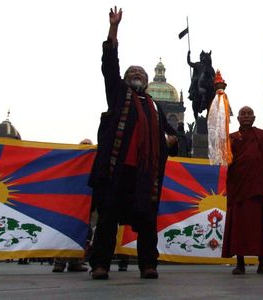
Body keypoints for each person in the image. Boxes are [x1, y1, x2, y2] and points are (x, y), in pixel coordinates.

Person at [88, 7, 178, 280]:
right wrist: (114, 28)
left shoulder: (154, 105)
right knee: (107, 219)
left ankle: (148, 264)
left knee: (147, 220)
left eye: (141, 72)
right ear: (126, 79)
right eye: (132, 72)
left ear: (147, 81)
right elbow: (109, 63)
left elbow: (173, 136)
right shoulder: (117, 94)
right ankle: (100, 264)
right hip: (116, 169)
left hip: (145, 172)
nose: (137, 74)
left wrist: (172, 141)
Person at [222, 106, 263, 275]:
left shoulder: (261, 135)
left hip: (256, 187)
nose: (246, 116)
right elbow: (225, 158)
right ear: (239, 118)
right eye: (243, 114)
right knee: (238, 226)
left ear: (254, 118)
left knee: (260, 225)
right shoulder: (233, 138)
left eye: (249, 114)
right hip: (239, 187)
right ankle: (240, 264)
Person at [52, 139, 93, 273]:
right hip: (71, 205)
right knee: (66, 231)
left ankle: (75, 261)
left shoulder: (90, 165)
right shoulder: (72, 165)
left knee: (84, 232)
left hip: (85, 205)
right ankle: (60, 262)